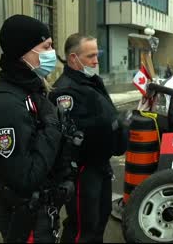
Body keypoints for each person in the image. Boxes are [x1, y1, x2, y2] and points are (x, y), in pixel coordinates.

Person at [0, 14, 74, 243]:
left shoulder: (31, 91)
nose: (51, 53)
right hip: (25, 220)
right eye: (46, 46)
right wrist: (53, 126)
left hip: (41, 214)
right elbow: (25, 178)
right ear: (25, 51)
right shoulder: (5, 106)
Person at [49, 33, 127, 243]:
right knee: (83, 226)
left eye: (97, 55)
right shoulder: (65, 91)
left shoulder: (90, 82)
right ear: (74, 58)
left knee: (99, 221)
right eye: (91, 56)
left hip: (99, 165)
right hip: (82, 170)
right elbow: (76, 133)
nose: (96, 61)